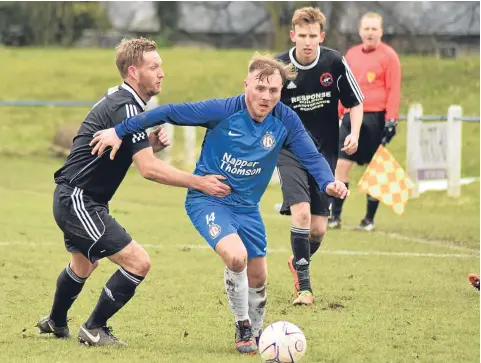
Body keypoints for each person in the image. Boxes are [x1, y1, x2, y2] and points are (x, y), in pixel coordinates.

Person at [89, 54, 349, 354]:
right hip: (208, 199)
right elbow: (171, 112)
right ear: (246, 85)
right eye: (260, 89)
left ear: (281, 91)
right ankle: (242, 326)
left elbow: (310, 155)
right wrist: (118, 131)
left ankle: (257, 331)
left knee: (258, 275)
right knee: (236, 257)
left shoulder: (285, 120)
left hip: (247, 207)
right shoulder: (222, 110)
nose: (266, 97)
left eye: (274, 91)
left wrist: (328, 180)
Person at [35, 37, 231, 347]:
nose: (161, 73)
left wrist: (145, 145)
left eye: (161, 66)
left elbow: (113, 153)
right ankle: (94, 328)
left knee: (83, 265)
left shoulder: (125, 102)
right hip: (79, 199)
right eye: (153, 67)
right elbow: (149, 170)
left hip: (77, 197)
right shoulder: (126, 106)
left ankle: (56, 322)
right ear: (132, 72)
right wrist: (200, 181)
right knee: (138, 262)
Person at [275, 7, 364, 306]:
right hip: (289, 152)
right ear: (293, 35)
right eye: (302, 36)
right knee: (300, 213)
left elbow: (355, 102)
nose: (307, 41)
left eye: (313, 36)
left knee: (318, 229)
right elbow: (259, 103)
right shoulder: (278, 66)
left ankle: (298, 260)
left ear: (321, 36)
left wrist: (354, 133)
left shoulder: (334, 62)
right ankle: (305, 288)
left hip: (324, 153)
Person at [330, 12, 401, 231]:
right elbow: (343, 87)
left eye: (374, 29)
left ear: (381, 32)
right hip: (351, 117)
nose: (370, 33)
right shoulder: (351, 54)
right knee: (341, 164)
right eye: (366, 29)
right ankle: (336, 216)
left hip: (375, 118)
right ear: (360, 31)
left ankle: (369, 219)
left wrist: (391, 119)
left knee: (375, 169)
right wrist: (338, 112)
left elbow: (393, 89)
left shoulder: (389, 56)